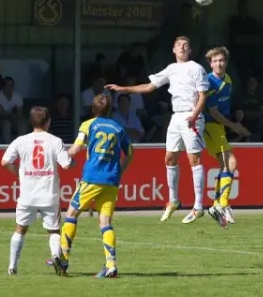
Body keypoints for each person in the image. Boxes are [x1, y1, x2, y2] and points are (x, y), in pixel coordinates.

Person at [106, 36, 210, 224]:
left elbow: (203, 96)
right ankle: (173, 200)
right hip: (176, 116)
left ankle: (198, 206)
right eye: (179, 45)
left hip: (191, 115)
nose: (182, 47)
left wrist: (195, 115)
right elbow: (149, 86)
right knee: (169, 158)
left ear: (190, 50)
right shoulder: (171, 69)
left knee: (193, 159)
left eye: (186, 45)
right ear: (173, 49)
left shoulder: (196, 68)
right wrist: (123, 89)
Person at [56, 94, 133, 278]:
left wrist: (62, 156)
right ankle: (111, 265)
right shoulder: (118, 128)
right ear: (110, 109)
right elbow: (130, 153)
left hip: (92, 177)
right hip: (111, 180)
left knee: (71, 214)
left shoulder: (88, 125)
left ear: (93, 109)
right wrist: (119, 172)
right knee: (105, 222)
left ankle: (64, 259)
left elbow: (75, 149)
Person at [1, 106, 73, 276]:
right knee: (54, 231)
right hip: (49, 195)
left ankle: (12, 266)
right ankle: (55, 255)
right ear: (48, 121)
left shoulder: (21, 140)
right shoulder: (54, 141)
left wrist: (19, 173)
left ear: (31, 122)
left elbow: (4, 162)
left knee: (20, 229)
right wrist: (72, 161)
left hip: (27, 194)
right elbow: (67, 164)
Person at [202, 47, 250, 227]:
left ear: (226, 62)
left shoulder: (228, 80)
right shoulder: (208, 82)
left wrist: (234, 118)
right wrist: (234, 126)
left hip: (219, 127)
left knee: (224, 165)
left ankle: (216, 205)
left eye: (221, 60)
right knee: (231, 163)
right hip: (209, 125)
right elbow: (213, 112)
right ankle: (223, 204)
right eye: (215, 61)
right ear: (210, 63)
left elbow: (225, 106)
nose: (218, 64)